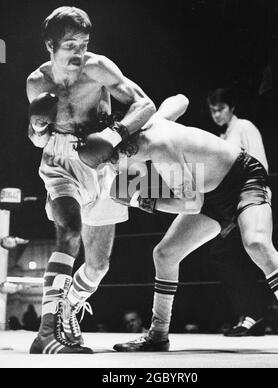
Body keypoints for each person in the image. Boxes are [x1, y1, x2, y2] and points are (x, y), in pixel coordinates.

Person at [96, 94, 278, 356]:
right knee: (165, 254)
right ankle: (157, 334)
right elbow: (181, 99)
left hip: (243, 179)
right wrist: (155, 115)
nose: (113, 168)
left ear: (122, 149)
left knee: (257, 243)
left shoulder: (158, 146)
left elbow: (191, 204)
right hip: (209, 191)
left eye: (111, 162)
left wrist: (141, 201)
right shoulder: (146, 128)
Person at [26, 6, 155, 354]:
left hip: (102, 164)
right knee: (68, 232)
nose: (79, 53)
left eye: (83, 43)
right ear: (51, 46)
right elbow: (38, 137)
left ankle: (68, 307)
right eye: (70, 45)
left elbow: (146, 105)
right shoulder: (37, 82)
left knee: (98, 265)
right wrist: (38, 126)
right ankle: (46, 332)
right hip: (59, 165)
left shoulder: (98, 68)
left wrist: (114, 135)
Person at [206, 87, 269, 336]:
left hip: (248, 199)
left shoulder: (244, 127)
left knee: (230, 255)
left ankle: (254, 314)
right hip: (228, 204)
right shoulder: (222, 137)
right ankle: (252, 315)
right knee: (227, 256)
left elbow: (258, 164)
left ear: (232, 108)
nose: (216, 114)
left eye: (220, 108)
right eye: (212, 110)